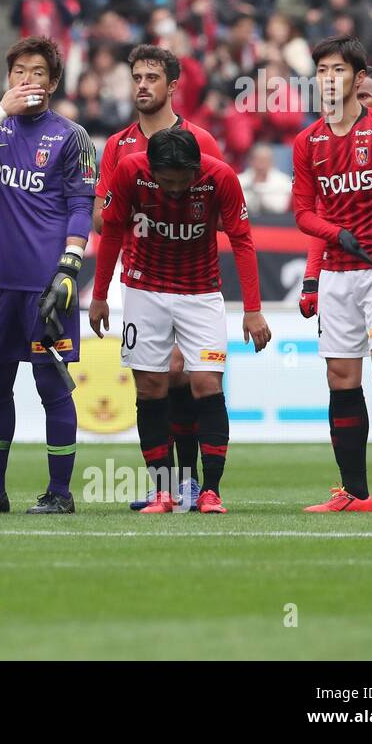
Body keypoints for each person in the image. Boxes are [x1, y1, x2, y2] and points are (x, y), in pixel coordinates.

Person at [89, 127, 271, 513]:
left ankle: (211, 490)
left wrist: (252, 309)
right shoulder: (128, 171)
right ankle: (162, 491)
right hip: (143, 290)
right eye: (165, 181)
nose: (173, 189)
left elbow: (242, 239)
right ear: (151, 168)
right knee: (151, 388)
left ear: (196, 168)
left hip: (201, 292)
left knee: (206, 383)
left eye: (181, 181)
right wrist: (100, 295)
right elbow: (111, 232)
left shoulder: (220, 177)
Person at [0, 36, 97, 514]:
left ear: (53, 82)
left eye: (37, 72)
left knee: (50, 386)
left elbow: (81, 206)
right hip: (0, 289)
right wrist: (0, 111)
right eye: (19, 71)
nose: (27, 80)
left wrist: (70, 267)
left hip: (46, 288)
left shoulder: (72, 136)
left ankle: (60, 493)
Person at [291, 36, 372, 513]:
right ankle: (355, 493)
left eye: (338, 70)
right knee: (341, 378)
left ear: (358, 78)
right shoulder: (307, 141)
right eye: (322, 70)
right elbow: (303, 213)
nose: (328, 79)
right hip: (338, 274)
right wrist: (335, 233)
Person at [93, 44, 224, 509]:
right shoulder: (117, 146)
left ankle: (192, 483)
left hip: (191, 282)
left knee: (187, 376)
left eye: (152, 78)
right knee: (156, 379)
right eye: (137, 77)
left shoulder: (201, 142)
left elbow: (220, 211)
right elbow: (100, 220)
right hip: (141, 280)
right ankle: (164, 485)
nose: (142, 86)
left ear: (172, 86)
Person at [237, 143, 293, 215]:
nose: (261, 164)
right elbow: (238, 206)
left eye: (265, 160)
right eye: (258, 160)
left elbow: (281, 207)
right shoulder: (239, 181)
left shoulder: (284, 181)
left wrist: (260, 197)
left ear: (271, 162)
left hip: (274, 222)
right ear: (250, 161)